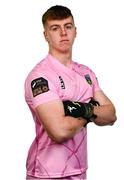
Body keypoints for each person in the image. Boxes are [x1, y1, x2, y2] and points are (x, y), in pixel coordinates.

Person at [24, 5, 117, 180]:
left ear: (75, 31)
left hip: (79, 170)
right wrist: (92, 110)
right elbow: (58, 131)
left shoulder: (86, 73)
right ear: (46, 35)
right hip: (47, 173)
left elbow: (111, 115)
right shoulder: (41, 77)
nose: (63, 33)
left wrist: (79, 109)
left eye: (68, 26)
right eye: (55, 28)